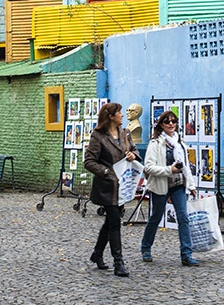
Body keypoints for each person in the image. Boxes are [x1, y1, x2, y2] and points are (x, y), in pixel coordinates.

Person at [83, 102, 139, 277]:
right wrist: (106, 172)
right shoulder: (98, 136)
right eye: (119, 112)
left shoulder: (125, 133)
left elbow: (135, 151)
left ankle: (97, 254)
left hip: (122, 186)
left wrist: (133, 155)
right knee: (115, 221)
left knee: (110, 223)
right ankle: (118, 262)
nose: (122, 115)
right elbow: (89, 161)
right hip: (107, 186)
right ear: (110, 116)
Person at [139, 110, 199, 266]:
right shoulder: (155, 143)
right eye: (167, 121)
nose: (171, 124)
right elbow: (149, 167)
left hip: (178, 184)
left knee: (183, 217)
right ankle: (146, 248)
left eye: (173, 121)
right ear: (161, 125)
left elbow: (185, 166)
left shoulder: (180, 142)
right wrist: (169, 170)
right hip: (160, 185)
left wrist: (191, 185)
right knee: (156, 217)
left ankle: (186, 254)